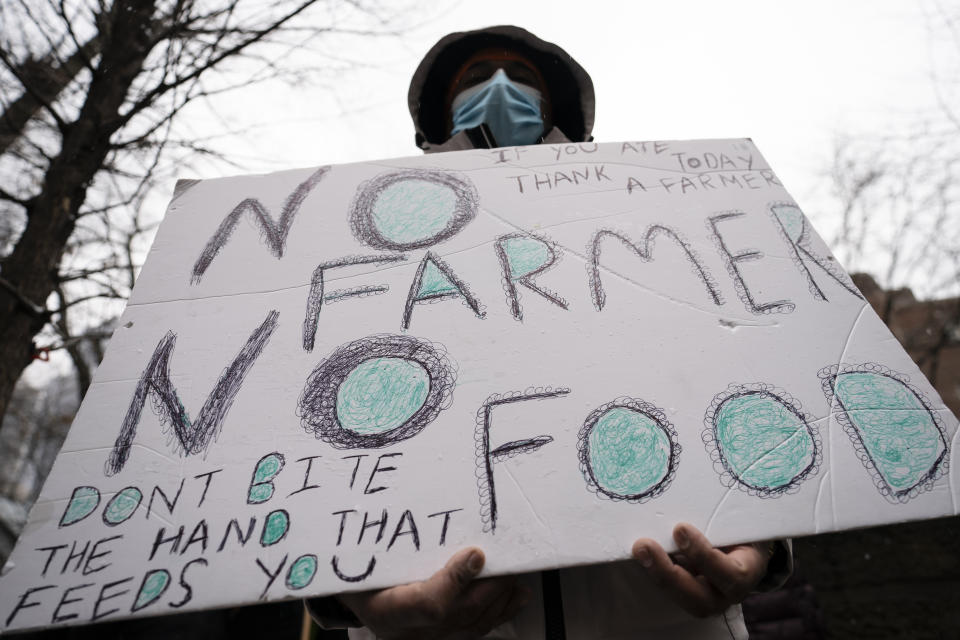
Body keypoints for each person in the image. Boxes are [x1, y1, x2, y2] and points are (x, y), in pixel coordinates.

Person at [308, 25, 792, 639]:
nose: (500, 90)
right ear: (437, 118)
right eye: (476, 81)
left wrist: (765, 536)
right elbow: (312, 437)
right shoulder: (358, 253)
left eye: (522, 81)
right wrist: (350, 594)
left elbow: (742, 380)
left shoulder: (649, 229)